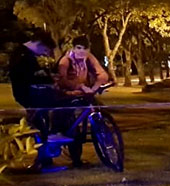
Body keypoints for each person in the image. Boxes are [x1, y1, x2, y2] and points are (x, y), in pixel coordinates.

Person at [8, 30, 65, 171]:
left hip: (31, 95)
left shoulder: (24, 54)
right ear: (38, 43)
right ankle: (43, 161)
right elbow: (30, 76)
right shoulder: (23, 56)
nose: (44, 53)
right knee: (40, 128)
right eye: (45, 49)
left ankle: (45, 159)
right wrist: (48, 79)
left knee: (40, 126)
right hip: (30, 96)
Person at [55, 35, 111, 167]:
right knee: (71, 124)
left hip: (84, 93)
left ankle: (96, 139)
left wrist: (96, 86)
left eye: (84, 49)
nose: (81, 51)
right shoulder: (65, 60)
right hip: (67, 95)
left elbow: (102, 74)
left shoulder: (89, 57)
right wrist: (79, 86)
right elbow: (62, 80)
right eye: (78, 48)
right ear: (73, 48)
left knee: (98, 110)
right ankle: (74, 157)